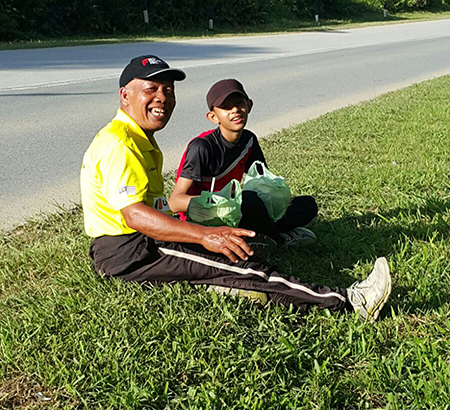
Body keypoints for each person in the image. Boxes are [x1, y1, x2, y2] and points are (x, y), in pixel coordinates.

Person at [80, 54, 392, 322]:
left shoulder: (137, 136)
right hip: (131, 250)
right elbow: (134, 214)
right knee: (251, 272)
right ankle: (353, 301)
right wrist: (205, 234)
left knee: (239, 257)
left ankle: (226, 283)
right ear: (125, 95)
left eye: (168, 90)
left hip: (143, 241)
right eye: (151, 89)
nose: (162, 97)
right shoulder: (120, 143)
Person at [169, 78, 318, 248]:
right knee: (249, 201)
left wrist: (276, 196)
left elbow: (263, 184)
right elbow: (175, 202)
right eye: (226, 107)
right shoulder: (202, 147)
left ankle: (258, 234)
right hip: (205, 216)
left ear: (249, 106)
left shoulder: (248, 140)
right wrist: (222, 202)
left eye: (239, 103)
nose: (235, 110)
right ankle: (278, 239)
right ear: (213, 117)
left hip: (235, 210)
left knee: (306, 205)